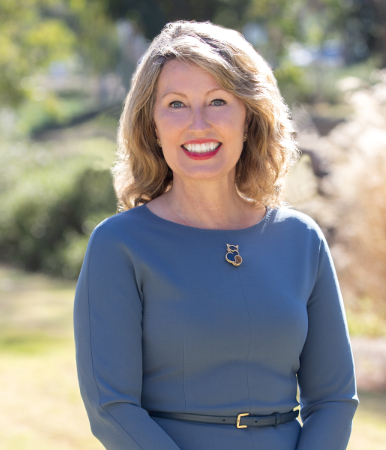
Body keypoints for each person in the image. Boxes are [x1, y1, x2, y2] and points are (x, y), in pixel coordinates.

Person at [74, 20, 358, 450]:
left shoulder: (301, 240)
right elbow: (110, 408)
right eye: (176, 104)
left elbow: (334, 399)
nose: (199, 124)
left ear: (249, 116)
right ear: (152, 124)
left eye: (218, 101)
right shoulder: (119, 246)